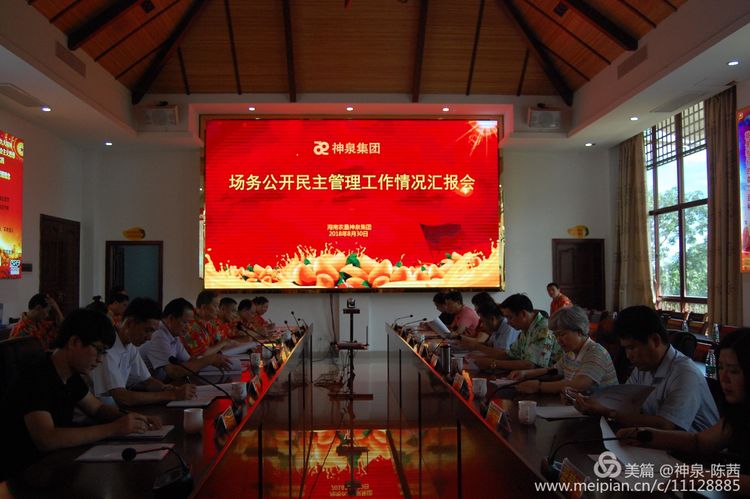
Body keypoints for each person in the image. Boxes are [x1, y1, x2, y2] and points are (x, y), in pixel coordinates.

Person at [0, 309, 160, 481]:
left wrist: (131, 418)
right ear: (74, 342)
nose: (100, 359)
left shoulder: (70, 375)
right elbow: (47, 438)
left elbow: (97, 408)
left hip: (56, 465)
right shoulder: (36, 376)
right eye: (98, 350)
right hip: (26, 474)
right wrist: (114, 428)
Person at [616, 330, 750, 493]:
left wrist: (705, 477)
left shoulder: (685, 371)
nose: (724, 378)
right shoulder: (739, 412)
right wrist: (646, 435)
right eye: (721, 368)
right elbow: (699, 441)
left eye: (734, 371)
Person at [574, 305, 719, 432]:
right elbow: (624, 403)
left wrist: (609, 413)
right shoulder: (643, 368)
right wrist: (591, 402)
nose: (628, 356)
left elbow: (666, 425)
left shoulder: (684, 373)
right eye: (625, 349)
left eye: (632, 348)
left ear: (655, 340)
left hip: (695, 452)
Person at [90, 297, 197, 407]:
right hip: (97, 413)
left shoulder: (130, 346)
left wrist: (168, 388)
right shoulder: (107, 348)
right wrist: (172, 395)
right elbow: (123, 397)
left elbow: (147, 381)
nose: (149, 338)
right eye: (147, 330)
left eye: (153, 332)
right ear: (130, 323)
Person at [509, 306, 617, 394]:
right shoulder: (570, 352)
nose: (558, 340)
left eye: (562, 334)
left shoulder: (595, 352)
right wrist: (526, 374)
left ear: (579, 331)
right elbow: (553, 370)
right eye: (556, 335)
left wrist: (538, 386)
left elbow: (579, 385)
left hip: (605, 411)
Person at [139, 298, 232, 382]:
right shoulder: (158, 334)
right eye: (185, 322)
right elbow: (174, 372)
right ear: (171, 318)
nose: (188, 327)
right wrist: (209, 359)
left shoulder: (174, 335)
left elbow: (189, 361)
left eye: (189, 323)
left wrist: (212, 360)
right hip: (143, 389)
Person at [468, 294, 561, 371]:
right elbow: (509, 355)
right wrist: (482, 359)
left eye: (510, 317)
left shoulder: (543, 328)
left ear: (523, 314)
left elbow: (530, 365)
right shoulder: (525, 330)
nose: (508, 322)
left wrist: (493, 363)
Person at [181, 290, 238, 357]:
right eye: (215, 306)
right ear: (203, 307)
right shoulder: (190, 325)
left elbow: (219, 341)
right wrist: (223, 343)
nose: (218, 310)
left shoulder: (210, 322)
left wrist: (234, 344)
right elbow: (203, 354)